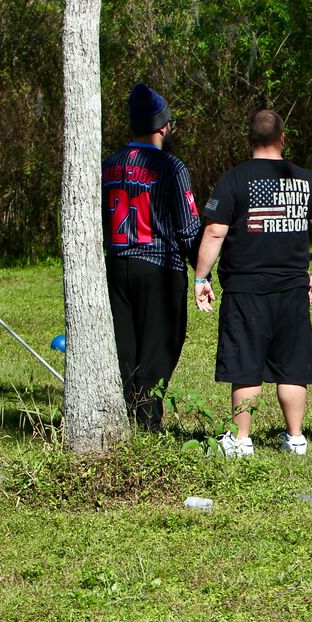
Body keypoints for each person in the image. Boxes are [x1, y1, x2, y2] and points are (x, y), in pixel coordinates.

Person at [194, 109, 312, 456]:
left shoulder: (234, 180)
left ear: (249, 141)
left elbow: (214, 231)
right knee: (293, 364)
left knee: (246, 363)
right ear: (283, 139)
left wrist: (201, 276)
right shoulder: (306, 180)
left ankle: (241, 439)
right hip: (291, 288)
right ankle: (296, 437)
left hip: (245, 288)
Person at [103, 84, 201, 430]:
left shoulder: (108, 164)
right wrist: (201, 268)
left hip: (116, 264)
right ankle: (148, 418)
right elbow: (188, 225)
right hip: (161, 267)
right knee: (162, 344)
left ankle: (124, 411)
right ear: (163, 126)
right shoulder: (171, 167)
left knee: (124, 345)